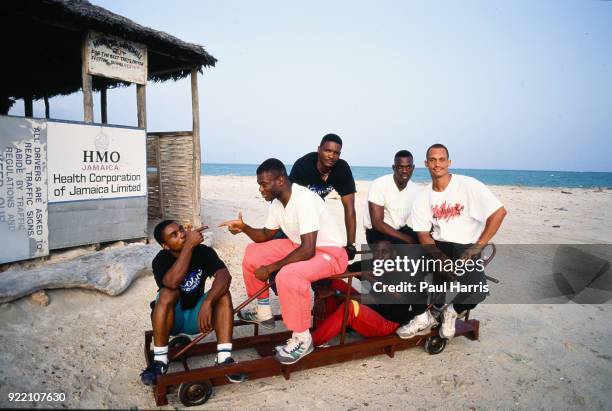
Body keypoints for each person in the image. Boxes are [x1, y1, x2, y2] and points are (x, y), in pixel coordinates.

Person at [219, 158, 348, 364]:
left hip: (330, 253)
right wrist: (243, 227)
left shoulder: (304, 199)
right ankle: (263, 311)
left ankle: (302, 339)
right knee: (253, 252)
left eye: (264, 184)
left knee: (289, 275)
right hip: (300, 245)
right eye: (259, 184)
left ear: (280, 180)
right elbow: (264, 234)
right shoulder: (278, 203)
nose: (261, 189)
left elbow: (307, 250)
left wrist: (271, 268)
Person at [396, 144, 507, 340]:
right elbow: (423, 234)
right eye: (432, 160)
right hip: (439, 244)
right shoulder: (423, 196)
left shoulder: (468, 185)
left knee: (477, 292)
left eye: (441, 159)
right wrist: (440, 258)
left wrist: (478, 246)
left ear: (449, 162)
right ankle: (423, 317)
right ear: (426, 164)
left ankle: (451, 312)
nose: (437, 164)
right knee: (406, 267)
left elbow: (499, 213)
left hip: (466, 246)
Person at [140, 221, 247, 386]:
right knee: (167, 293)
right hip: (171, 321)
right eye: (174, 235)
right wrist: (189, 246)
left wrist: (208, 302)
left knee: (223, 295)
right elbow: (171, 283)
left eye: (180, 229)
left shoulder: (203, 252)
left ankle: (224, 359)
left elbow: (224, 276)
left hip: (197, 317)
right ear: (165, 245)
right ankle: (160, 362)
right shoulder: (161, 260)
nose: (182, 234)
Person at [312, 240, 419, 346]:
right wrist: (322, 280)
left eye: (385, 252)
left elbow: (371, 299)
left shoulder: (399, 271)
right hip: (375, 310)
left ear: (393, 253)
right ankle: (326, 328)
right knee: (334, 282)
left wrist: (336, 293)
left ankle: (312, 342)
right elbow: (344, 271)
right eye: (377, 251)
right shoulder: (372, 263)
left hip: (389, 323)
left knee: (350, 307)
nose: (380, 255)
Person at [289, 133, 357, 259]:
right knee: (291, 247)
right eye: (327, 150)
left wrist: (351, 244)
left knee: (325, 249)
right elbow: (289, 200)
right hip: (293, 211)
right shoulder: (303, 166)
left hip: (317, 210)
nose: (331, 156)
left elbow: (350, 209)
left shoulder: (342, 169)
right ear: (319, 149)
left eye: (336, 153)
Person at [363, 150, 422, 246]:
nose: (404, 171)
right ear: (394, 168)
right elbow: (377, 223)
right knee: (393, 250)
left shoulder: (416, 190)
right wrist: (408, 239)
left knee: (427, 244)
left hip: (400, 229)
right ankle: (364, 262)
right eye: (400, 167)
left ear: (413, 168)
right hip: (376, 232)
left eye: (408, 167)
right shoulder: (379, 184)